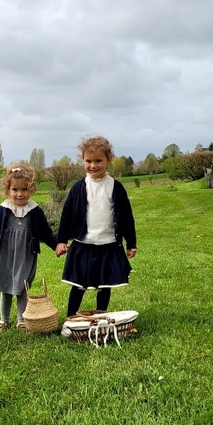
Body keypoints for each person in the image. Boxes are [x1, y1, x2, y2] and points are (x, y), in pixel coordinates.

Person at [57, 136, 137, 317]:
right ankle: (70, 319)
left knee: (104, 285)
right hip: (83, 243)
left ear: (109, 160)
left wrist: (131, 243)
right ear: (83, 160)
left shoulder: (116, 187)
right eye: (88, 161)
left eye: (98, 161)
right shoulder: (78, 187)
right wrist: (61, 240)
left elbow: (126, 217)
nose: (93, 165)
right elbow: (67, 215)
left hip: (108, 244)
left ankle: (101, 317)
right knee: (78, 285)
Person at [0, 164, 67, 331]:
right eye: (15, 189)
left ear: (32, 190)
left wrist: (56, 245)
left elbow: (45, 232)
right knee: (5, 287)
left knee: (22, 287)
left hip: (25, 255)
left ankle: (22, 319)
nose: (19, 194)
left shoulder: (34, 211)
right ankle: (3, 319)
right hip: (5, 254)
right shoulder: (2, 210)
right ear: (8, 190)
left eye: (24, 189)